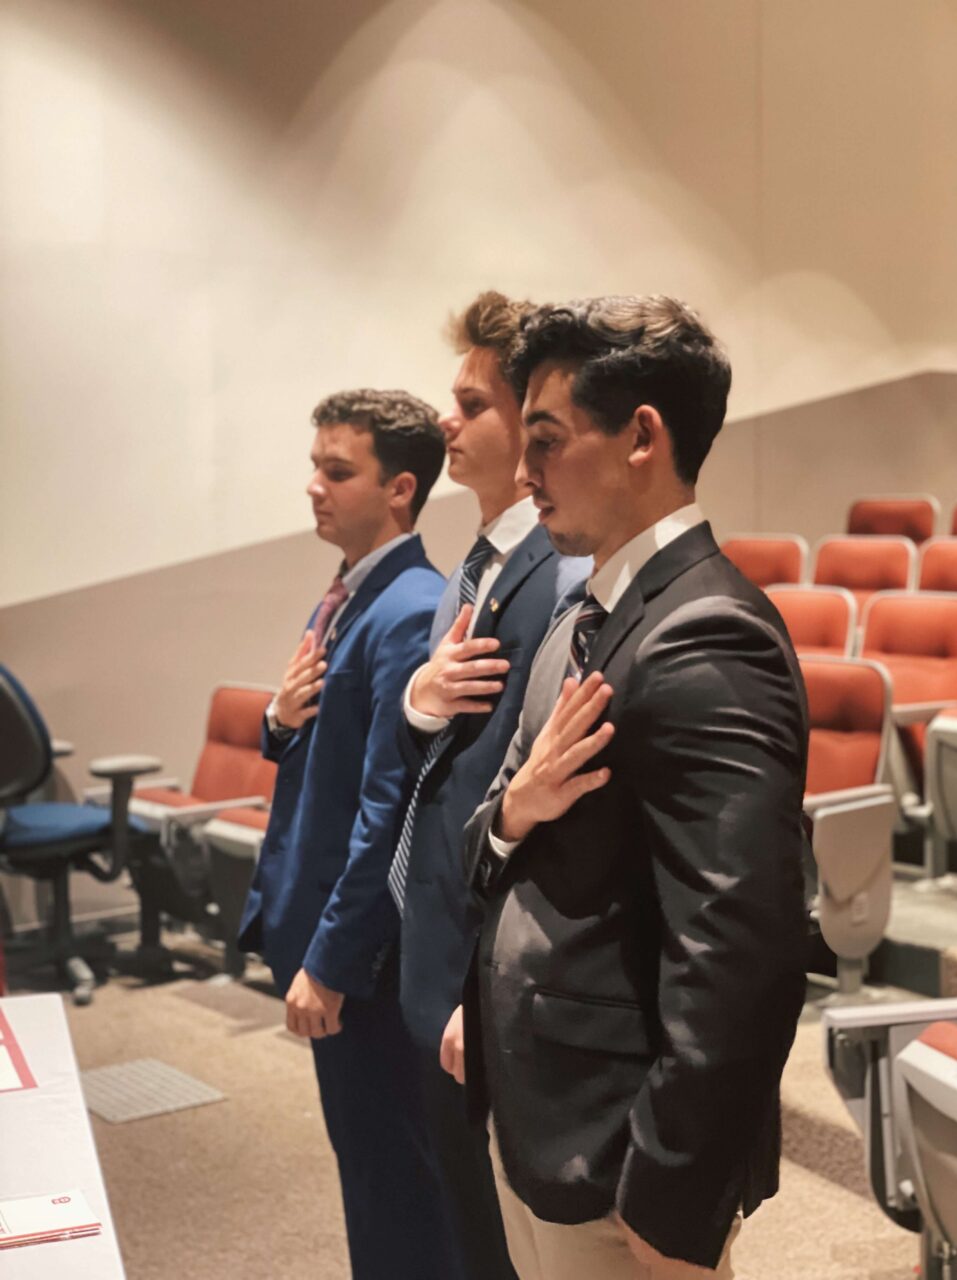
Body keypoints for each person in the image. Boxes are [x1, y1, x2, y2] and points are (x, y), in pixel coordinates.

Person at [457, 296, 810, 1279]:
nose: (523, 475)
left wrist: (672, 1190)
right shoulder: (602, 611)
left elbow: (742, 947)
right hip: (548, 1119)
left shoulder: (705, 632)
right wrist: (512, 812)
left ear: (642, 434)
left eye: (548, 439)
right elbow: (506, 827)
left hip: (617, 1164)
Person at [388, 291, 588, 1280]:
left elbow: (531, 805)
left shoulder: (554, 574)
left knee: (501, 1236)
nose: (444, 420)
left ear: (527, 424)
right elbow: (437, 753)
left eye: (470, 402)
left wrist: (480, 981)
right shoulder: (477, 560)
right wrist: (418, 704)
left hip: (481, 959)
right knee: (460, 1212)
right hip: (433, 940)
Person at [238, 388, 455, 1279]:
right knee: (369, 1170)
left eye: (338, 471)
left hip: (364, 956)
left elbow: (389, 809)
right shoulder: (347, 593)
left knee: (394, 1181)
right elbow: (314, 742)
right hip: (324, 923)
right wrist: (277, 724)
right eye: (315, 467)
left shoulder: (409, 605)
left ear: (399, 489)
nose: (314, 488)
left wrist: (330, 959)